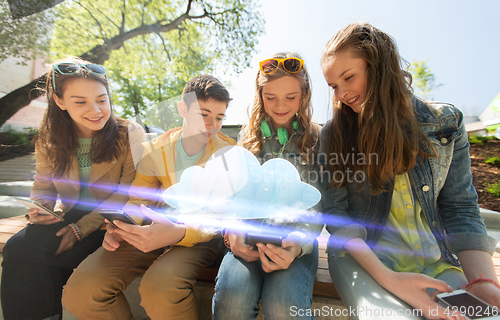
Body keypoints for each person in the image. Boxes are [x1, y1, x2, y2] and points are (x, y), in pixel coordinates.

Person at [320, 22, 500, 320]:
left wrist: (482, 283)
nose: (341, 94)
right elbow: (338, 217)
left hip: (436, 261)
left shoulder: (446, 123)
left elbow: (461, 208)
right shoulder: (335, 134)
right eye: (333, 86)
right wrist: (390, 279)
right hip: (367, 259)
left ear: (379, 66)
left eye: (348, 77)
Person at [62, 75, 236, 320]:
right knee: (82, 291)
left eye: (219, 118)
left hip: (202, 234)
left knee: (159, 288)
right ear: (182, 109)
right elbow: (139, 199)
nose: (212, 125)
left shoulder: (229, 153)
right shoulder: (156, 149)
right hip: (154, 226)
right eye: (204, 114)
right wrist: (123, 226)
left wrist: (179, 231)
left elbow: (223, 213)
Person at [1, 57, 143, 320]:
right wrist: (40, 209)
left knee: (50, 258)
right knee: (17, 248)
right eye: (81, 102)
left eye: (102, 100)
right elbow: (43, 184)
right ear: (59, 101)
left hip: (108, 219)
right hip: (68, 212)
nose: (96, 110)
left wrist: (81, 229)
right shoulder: (49, 136)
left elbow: (126, 193)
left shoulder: (128, 133)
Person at [212, 53, 324, 320]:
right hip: (248, 236)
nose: (280, 106)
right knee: (232, 301)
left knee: (283, 307)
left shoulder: (317, 139)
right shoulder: (247, 136)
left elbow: (318, 206)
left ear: (304, 95)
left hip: (295, 242)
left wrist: (297, 244)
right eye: (270, 97)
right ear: (260, 94)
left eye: (291, 97)